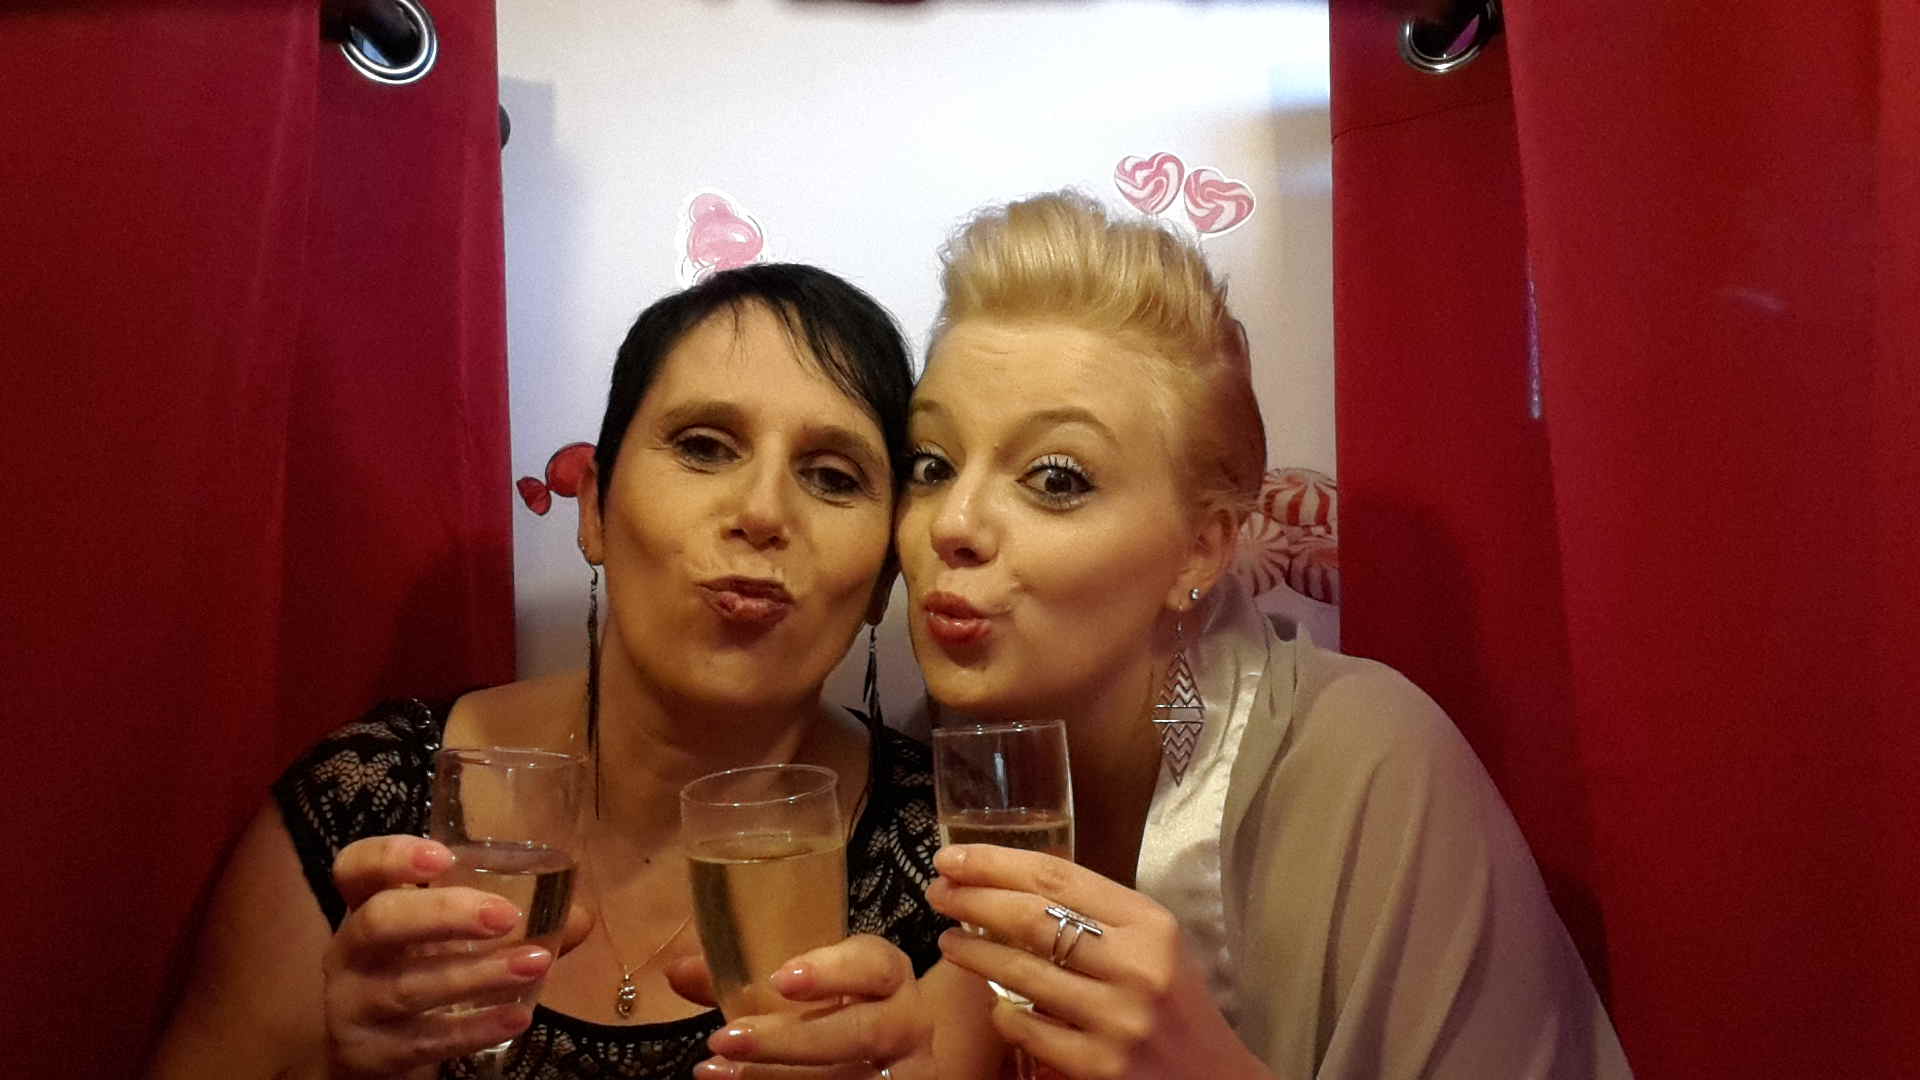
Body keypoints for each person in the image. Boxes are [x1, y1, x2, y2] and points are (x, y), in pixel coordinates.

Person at [693, 193, 1632, 1079]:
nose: (954, 524)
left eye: (1055, 479)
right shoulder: (932, 774)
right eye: (932, 464)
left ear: (1202, 547)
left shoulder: (1366, 763)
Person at [146, 264, 958, 1080]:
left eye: (832, 478)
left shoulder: (950, 870)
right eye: (704, 447)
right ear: (595, 508)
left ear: (883, 578)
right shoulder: (369, 805)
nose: (763, 512)